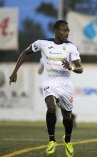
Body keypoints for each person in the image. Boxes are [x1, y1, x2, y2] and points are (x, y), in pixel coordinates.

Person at [9, 20, 83, 157]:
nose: (67, 33)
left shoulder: (71, 47)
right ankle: (51, 140)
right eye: (64, 30)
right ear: (56, 31)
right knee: (51, 108)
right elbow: (25, 53)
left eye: (68, 31)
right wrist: (15, 72)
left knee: (67, 115)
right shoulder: (42, 43)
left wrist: (71, 67)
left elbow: (80, 68)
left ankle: (67, 140)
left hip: (65, 84)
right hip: (50, 82)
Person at [38, 57, 78, 130]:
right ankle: (51, 125)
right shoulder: (44, 58)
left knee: (58, 105)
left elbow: (40, 71)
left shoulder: (62, 57)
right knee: (53, 105)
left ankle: (70, 117)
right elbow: (40, 71)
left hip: (61, 85)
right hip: (50, 84)